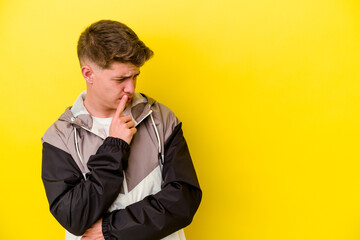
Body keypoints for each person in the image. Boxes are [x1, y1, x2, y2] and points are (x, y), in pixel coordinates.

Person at [41, 20, 202, 240]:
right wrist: (114, 146)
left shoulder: (162, 118)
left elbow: (184, 199)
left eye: (135, 75)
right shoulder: (59, 138)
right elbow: (74, 216)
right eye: (121, 79)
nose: (131, 88)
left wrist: (111, 229)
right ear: (88, 74)